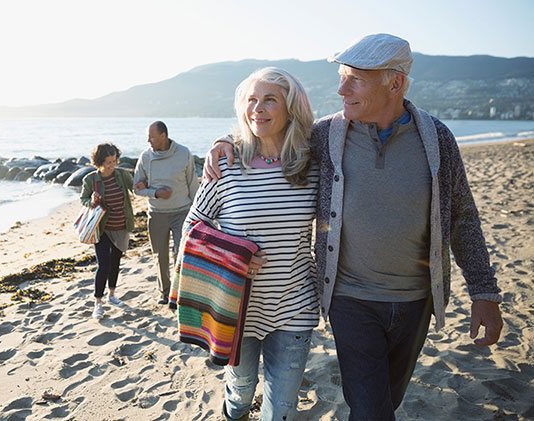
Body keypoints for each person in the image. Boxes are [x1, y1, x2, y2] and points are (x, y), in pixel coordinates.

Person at [205, 33, 503, 420]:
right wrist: (224, 140)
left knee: (387, 399)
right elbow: (270, 133)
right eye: (342, 76)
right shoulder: (327, 135)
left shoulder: (437, 139)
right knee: (369, 408)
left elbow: (463, 217)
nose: (341, 89)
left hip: (416, 301)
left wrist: (484, 291)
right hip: (349, 299)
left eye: (355, 79)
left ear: (394, 83)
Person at [187, 67, 319, 421]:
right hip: (237, 309)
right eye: (251, 100)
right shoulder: (227, 165)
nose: (258, 108)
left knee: (282, 408)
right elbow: (192, 226)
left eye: (270, 100)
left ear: (291, 108)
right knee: (241, 393)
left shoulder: (312, 164)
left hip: (295, 306)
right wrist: (233, 257)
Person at [133, 121, 200, 305]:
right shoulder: (145, 157)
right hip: (157, 214)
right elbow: (136, 188)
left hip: (182, 212)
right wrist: (154, 192)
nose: (148, 140)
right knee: (160, 255)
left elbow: (192, 184)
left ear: (164, 136)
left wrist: (198, 214)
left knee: (182, 253)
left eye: (152, 136)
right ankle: (164, 293)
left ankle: (180, 292)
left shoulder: (184, 153)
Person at [80, 143, 135, 319]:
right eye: (108, 162)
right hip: (101, 228)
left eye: (114, 161)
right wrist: (92, 202)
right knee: (103, 266)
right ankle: (98, 303)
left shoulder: (122, 175)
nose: (112, 165)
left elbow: (137, 188)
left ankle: (112, 295)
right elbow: (84, 200)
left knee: (115, 263)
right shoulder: (90, 179)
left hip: (121, 226)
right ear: (99, 162)